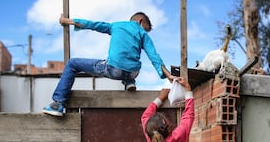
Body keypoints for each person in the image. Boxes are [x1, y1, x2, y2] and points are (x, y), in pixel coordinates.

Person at [43, 12, 174, 116]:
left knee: (72, 63)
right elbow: (154, 56)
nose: (144, 32)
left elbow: (92, 24)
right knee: (130, 68)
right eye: (144, 29)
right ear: (140, 22)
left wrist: (66, 21)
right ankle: (129, 82)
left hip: (113, 69)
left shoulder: (115, 25)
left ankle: (58, 103)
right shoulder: (142, 34)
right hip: (134, 73)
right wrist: (168, 75)